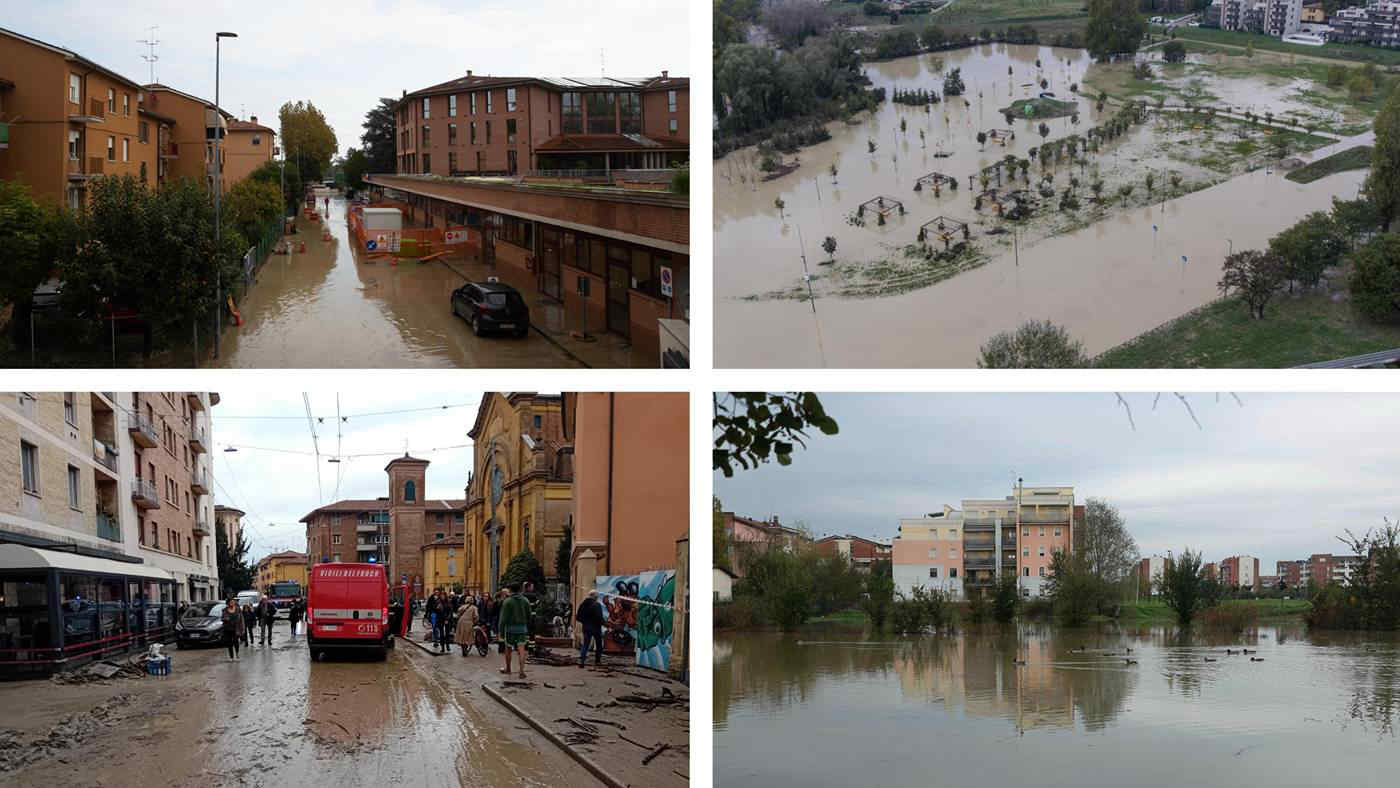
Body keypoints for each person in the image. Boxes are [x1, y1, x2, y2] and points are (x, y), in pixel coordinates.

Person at [498, 583, 531, 679]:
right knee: (521, 650)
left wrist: (500, 630)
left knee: (508, 649)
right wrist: (526, 625)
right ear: (520, 590)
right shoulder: (525, 600)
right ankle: (521, 671)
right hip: (522, 628)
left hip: (510, 629)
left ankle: (508, 669)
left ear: (511, 590)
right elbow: (529, 615)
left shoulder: (507, 601)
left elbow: (503, 618)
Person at [576, 590, 605, 668]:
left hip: (586, 627)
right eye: (597, 597)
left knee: (585, 644)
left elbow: (578, 617)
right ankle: (597, 661)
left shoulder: (582, 605)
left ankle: (582, 661)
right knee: (599, 644)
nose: (597, 598)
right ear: (595, 597)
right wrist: (604, 623)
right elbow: (599, 617)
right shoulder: (597, 605)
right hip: (596, 628)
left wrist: (585, 622)